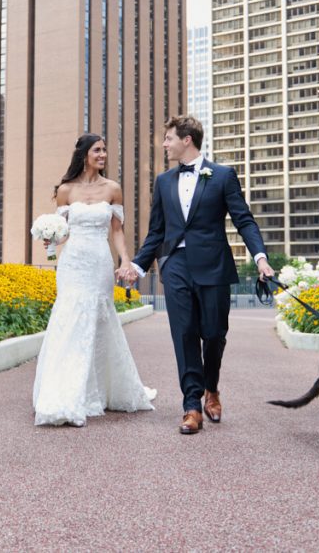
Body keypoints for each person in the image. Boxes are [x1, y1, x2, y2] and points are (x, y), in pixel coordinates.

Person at [125, 116, 274, 435]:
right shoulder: (163, 182)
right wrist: (138, 266)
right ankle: (192, 405)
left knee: (215, 334)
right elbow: (156, 231)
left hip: (214, 265)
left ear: (187, 139)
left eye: (168, 138)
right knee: (185, 334)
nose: (164, 144)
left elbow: (244, 220)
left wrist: (260, 258)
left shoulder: (222, 176)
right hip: (176, 266)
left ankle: (212, 388)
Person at [32, 133, 156, 427]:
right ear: (85, 154)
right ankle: (63, 391)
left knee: (99, 319)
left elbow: (116, 230)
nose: (103, 155)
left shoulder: (112, 189)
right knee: (70, 318)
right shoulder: (65, 191)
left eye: (104, 151)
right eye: (98, 150)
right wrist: (48, 240)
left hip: (99, 262)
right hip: (72, 263)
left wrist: (125, 260)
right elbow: (61, 234)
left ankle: (99, 388)